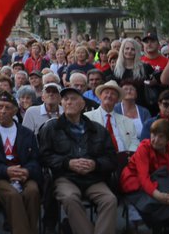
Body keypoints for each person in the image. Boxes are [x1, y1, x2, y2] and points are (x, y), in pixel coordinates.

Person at [39, 86, 118, 234]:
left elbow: (111, 158)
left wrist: (95, 164)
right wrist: (67, 163)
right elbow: (44, 157)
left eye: (73, 99)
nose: (69, 102)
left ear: (82, 104)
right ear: (61, 104)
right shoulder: (51, 128)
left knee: (110, 200)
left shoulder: (98, 129)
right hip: (65, 177)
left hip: (93, 178)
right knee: (70, 198)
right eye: (65, 99)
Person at [0, 91, 42, 234]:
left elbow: (35, 160)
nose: (3, 111)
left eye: (7, 108)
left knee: (33, 191)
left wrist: (26, 171)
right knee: (12, 195)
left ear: (15, 111)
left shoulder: (27, 133)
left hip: (25, 175)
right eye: (0, 107)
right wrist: (5, 171)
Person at [119, 119, 169, 233]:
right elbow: (143, 177)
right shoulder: (144, 147)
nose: (155, 140)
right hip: (136, 180)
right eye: (153, 135)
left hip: (161, 178)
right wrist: (159, 195)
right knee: (163, 196)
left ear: (168, 139)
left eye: (161, 136)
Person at [85, 79, 140, 153]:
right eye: (106, 92)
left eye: (113, 94)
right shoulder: (87, 118)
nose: (109, 95)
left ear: (117, 100)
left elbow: (135, 142)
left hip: (123, 159)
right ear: (100, 96)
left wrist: (128, 156)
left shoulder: (127, 121)